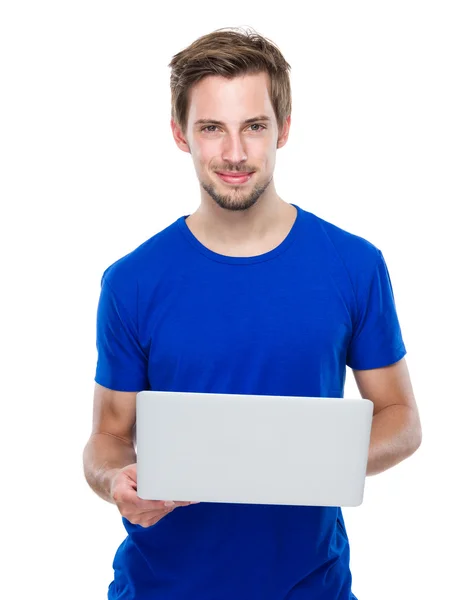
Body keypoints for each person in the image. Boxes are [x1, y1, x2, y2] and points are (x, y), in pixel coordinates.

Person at [83, 26, 422, 600]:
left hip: (309, 586)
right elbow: (107, 437)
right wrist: (116, 480)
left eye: (254, 127)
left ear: (283, 129)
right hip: (160, 588)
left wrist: (299, 464)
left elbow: (400, 417)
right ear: (179, 134)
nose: (235, 153)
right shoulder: (131, 282)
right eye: (212, 128)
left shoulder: (354, 265)